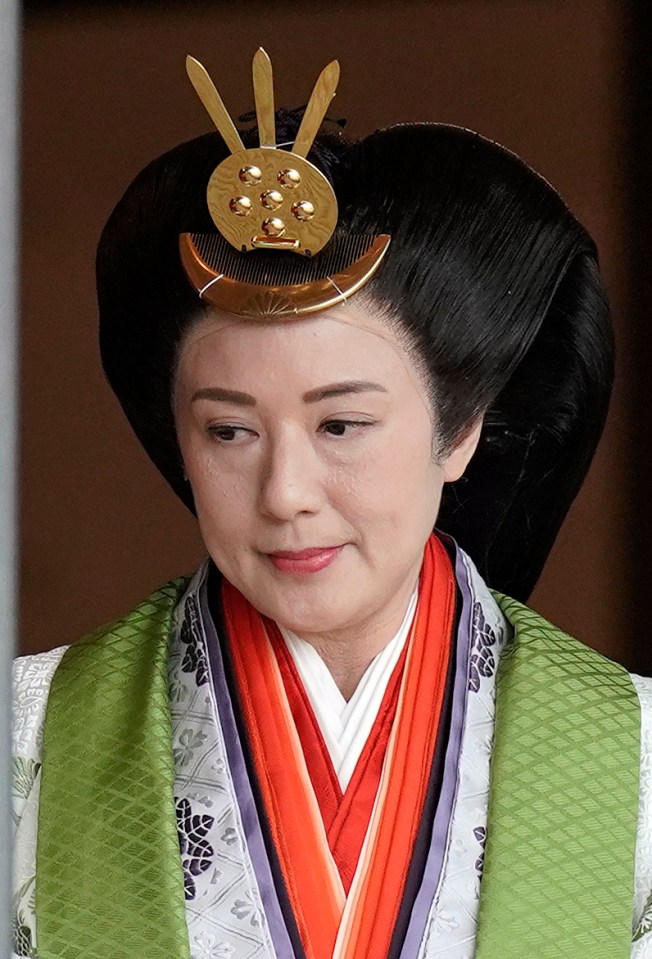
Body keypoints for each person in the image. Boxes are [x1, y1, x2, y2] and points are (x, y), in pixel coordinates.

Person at [11, 51, 652, 959]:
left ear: (460, 429)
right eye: (229, 431)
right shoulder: (31, 743)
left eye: (342, 424)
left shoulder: (634, 757)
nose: (285, 495)